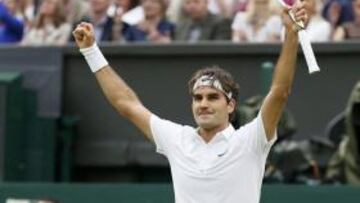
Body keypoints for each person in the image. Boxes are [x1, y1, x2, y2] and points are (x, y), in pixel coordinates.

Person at [72, 1, 309, 202]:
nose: (203, 103)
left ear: (231, 106)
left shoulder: (250, 140)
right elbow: (127, 105)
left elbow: (279, 91)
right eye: (198, 98)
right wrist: (91, 52)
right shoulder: (178, 140)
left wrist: (290, 34)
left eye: (213, 97)